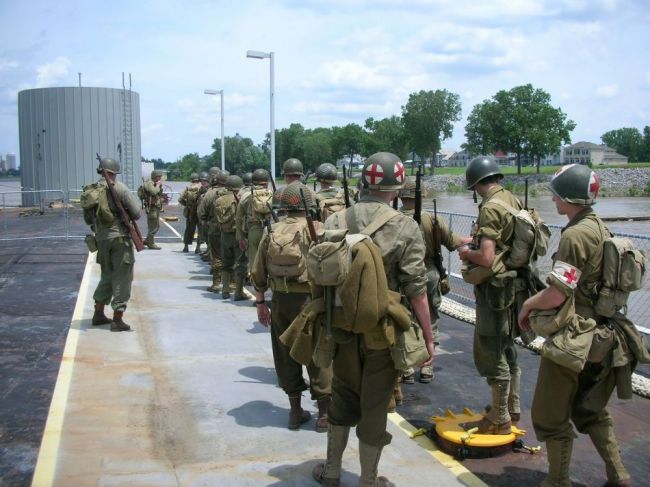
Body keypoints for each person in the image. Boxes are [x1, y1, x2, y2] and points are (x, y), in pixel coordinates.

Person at [312, 152, 434, 487]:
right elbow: (417, 289)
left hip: (341, 328)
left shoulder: (335, 221)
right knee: (375, 403)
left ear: (364, 182)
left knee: (342, 394)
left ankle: (332, 471)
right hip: (383, 332)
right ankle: (368, 480)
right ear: (396, 188)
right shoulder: (405, 226)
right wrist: (427, 335)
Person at [518, 164, 632, 487]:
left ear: (568, 198)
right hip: (603, 333)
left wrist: (527, 305)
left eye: (556, 196)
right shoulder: (599, 227)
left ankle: (558, 481)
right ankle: (619, 474)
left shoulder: (574, 234)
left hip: (575, 337)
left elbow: (557, 293)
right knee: (589, 408)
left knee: (548, 415)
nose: (553, 201)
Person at [251, 183, 332, 432]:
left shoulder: (272, 230)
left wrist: (261, 302)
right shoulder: (318, 229)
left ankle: (295, 412)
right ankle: (324, 415)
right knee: (318, 354)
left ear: (284, 205)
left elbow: (258, 271)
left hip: (280, 301)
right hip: (311, 301)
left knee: (285, 355)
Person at [457, 155, 528, 435]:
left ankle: (499, 419)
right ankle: (512, 407)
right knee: (508, 346)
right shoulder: (513, 200)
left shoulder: (490, 208)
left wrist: (466, 252)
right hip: (514, 287)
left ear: (476, 184)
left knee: (490, 350)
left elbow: (486, 258)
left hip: (495, 292)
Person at [398, 177, 467, 384]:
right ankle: (427, 366)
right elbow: (454, 242)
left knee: (405, 320)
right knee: (432, 319)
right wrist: (475, 238)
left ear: (401, 195)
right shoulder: (433, 219)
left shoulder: (393, 219)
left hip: (402, 276)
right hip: (429, 274)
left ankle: (407, 366)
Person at [83, 158, 141, 332]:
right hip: (119, 239)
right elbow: (136, 213)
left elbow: (88, 219)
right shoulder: (119, 188)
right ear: (113, 172)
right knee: (123, 277)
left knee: (107, 276)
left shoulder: (91, 191)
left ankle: (98, 313)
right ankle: (117, 319)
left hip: (101, 239)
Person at [215, 175, 248, 301]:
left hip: (224, 235)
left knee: (226, 263)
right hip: (238, 235)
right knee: (241, 263)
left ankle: (225, 290)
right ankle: (239, 292)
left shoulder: (219, 200)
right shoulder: (241, 199)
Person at [236, 168, 273, 276]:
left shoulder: (246, 196)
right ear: (266, 182)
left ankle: (257, 288)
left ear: (253, 181)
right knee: (269, 259)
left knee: (254, 262)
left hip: (253, 230)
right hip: (270, 230)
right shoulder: (272, 194)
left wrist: (241, 238)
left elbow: (238, 218)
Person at [178, 172, 201, 253]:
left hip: (190, 211)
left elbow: (180, 199)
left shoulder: (188, 188)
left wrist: (187, 205)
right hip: (199, 211)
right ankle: (198, 248)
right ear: (198, 179)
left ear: (191, 180)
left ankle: (186, 247)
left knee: (189, 229)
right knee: (200, 230)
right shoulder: (201, 188)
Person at [142, 169, 164, 249]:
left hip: (156, 207)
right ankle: (151, 244)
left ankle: (147, 241)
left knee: (156, 226)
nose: (160, 178)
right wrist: (158, 185)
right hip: (151, 208)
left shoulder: (154, 184)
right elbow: (153, 192)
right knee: (153, 226)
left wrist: (159, 186)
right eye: (159, 177)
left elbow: (158, 193)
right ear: (155, 176)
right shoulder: (149, 183)